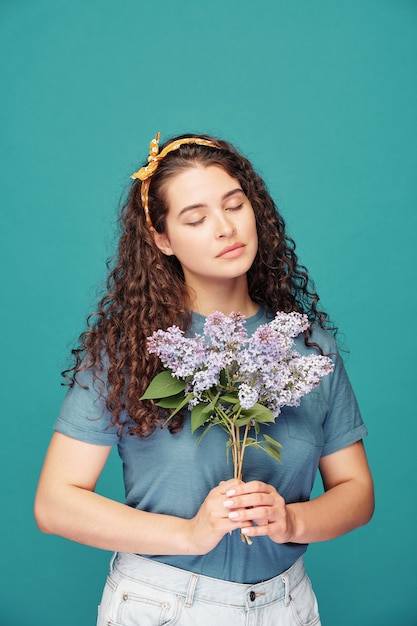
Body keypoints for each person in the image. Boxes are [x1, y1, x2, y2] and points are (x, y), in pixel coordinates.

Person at [35, 131, 374, 626]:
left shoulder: (308, 348)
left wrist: (292, 520)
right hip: (164, 605)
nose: (224, 228)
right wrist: (188, 535)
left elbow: (356, 489)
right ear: (162, 239)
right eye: (196, 218)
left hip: (287, 606)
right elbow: (55, 503)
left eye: (235, 206)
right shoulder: (130, 347)